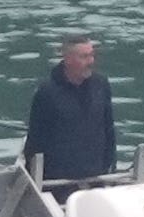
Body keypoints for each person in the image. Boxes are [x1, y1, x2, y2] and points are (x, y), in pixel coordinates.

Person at [21, 33, 117, 189]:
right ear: (68, 60)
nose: (90, 61)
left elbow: (109, 129)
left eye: (91, 56)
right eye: (84, 57)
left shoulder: (101, 85)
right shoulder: (47, 93)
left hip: (96, 176)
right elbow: (36, 141)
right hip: (58, 181)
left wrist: (108, 167)